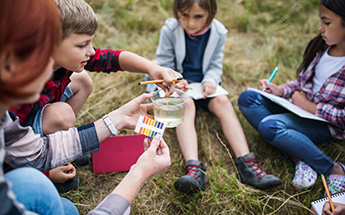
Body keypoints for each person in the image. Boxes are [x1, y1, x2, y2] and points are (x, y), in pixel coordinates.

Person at [1, 0, 171, 214]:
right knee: (61, 115)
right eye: (82, 45)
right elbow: (19, 155)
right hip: (23, 152)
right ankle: (58, 151)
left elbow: (110, 58)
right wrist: (47, 173)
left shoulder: (9, 113)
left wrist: (151, 69)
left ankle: (66, 146)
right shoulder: (16, 105)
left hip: (27, 145)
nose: (91, 52)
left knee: (82, 81)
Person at [145, 0, 281, 193]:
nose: (190, 23)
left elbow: (215, 65)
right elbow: (164, 63)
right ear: (177, 12)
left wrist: (210, 81)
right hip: (178, 85)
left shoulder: (218, 32)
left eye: (198, 16)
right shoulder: (170, 30)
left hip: (204, 87)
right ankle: (194, 169)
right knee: (187, 104)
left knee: (223, 102)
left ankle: (248, 166)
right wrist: (175, 80)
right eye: (184, 15)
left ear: (210, 13)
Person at [238, 0, 345, 193]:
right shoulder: (322, 48)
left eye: (326, 23)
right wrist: (280, 90)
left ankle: (333, 169)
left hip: (325, 125)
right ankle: (300, 158)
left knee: (269, 126)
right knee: (248, 98)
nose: (320, 28)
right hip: (299, 110)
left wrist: (308, 106)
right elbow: (303, 83)